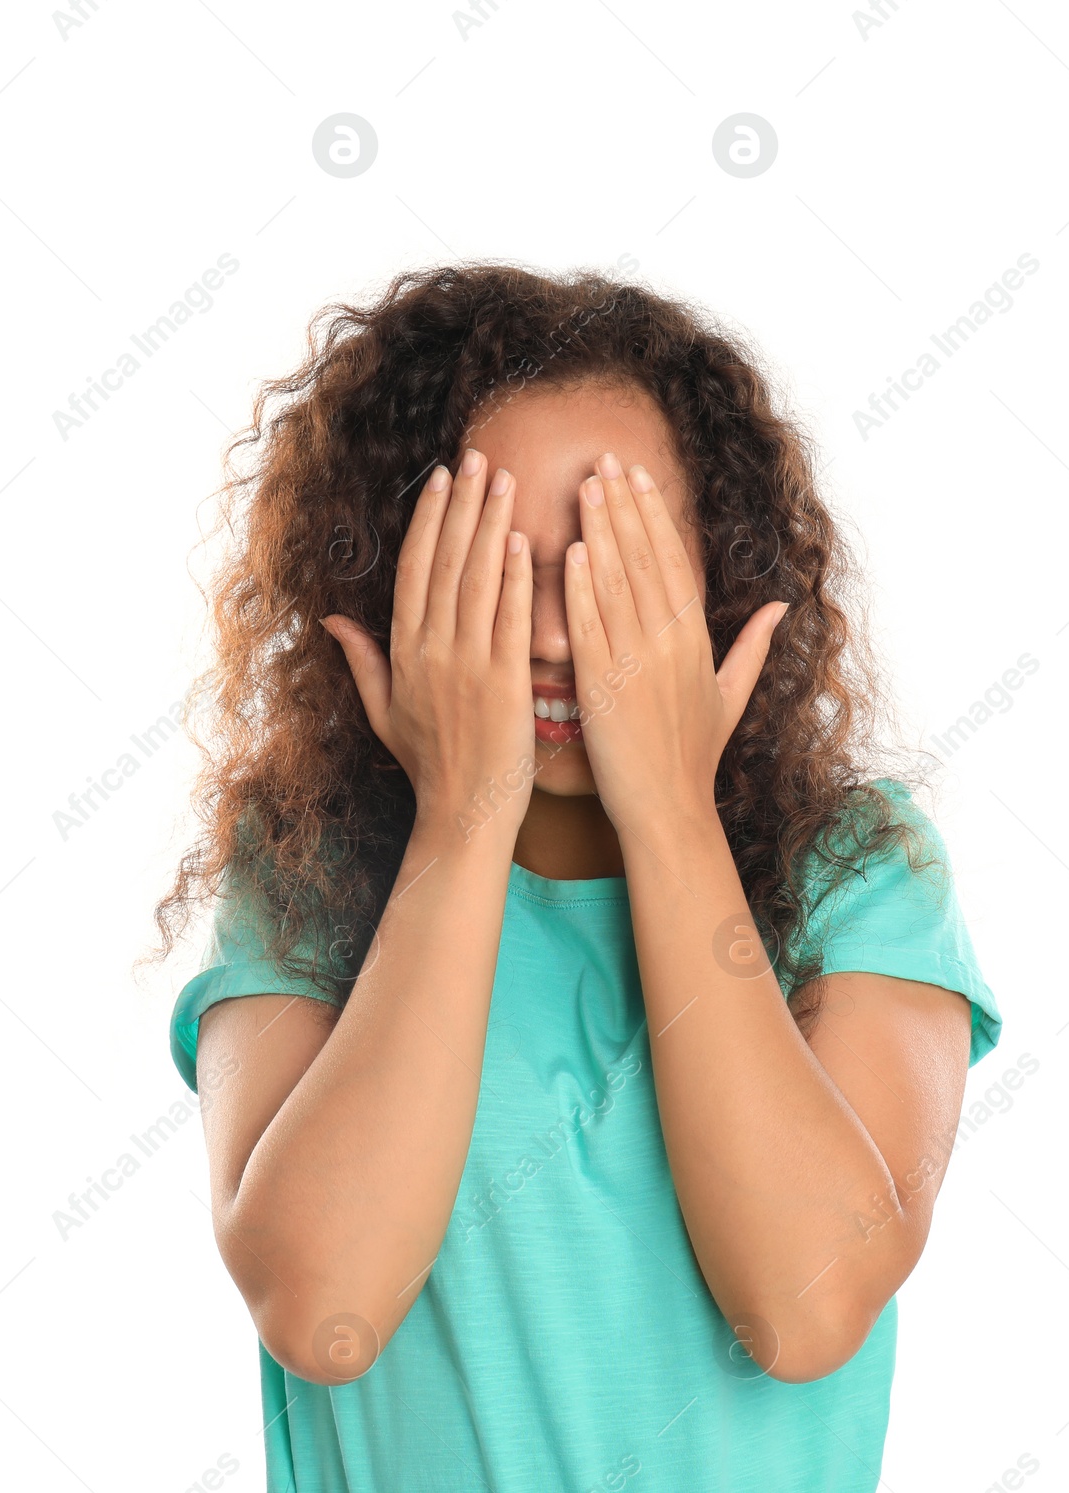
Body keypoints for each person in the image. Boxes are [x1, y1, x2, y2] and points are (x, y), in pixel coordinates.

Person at [156, 264, 1002, 1492]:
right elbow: (319, 1306)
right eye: (494, 570)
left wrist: (666, 806)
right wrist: (463, 815)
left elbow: (806, 1310)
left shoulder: (859, 869)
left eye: (616, 568)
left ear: (714, 575)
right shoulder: (307, 873)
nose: (555, 632)